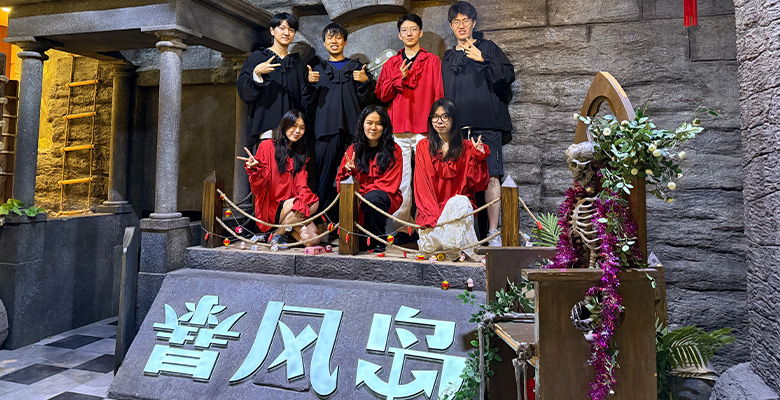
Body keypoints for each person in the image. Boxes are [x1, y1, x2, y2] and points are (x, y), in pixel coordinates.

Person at [442, 1, 515, 246]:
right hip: (458, 128)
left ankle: (493, 233)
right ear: (451, 26)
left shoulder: (489, 48)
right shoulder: (449, 57)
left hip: (487, 124)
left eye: (465, 21)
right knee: (461, 180)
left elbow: (507, 76)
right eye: (456, 22)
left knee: (492, 176)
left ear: (474, 23)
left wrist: (483, 58)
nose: (461, 26)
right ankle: (465, 233)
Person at [375, 13, 444, 235]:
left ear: (420, 32)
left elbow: (439, 95)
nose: (409, 33)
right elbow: (382, 95)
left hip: (425, 128)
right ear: (399, 35)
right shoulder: (392, 63)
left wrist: (438, 127)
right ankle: (402, 230)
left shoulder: (432, 60)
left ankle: (429, 227)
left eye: (413, 29)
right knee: (402, 181)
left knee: (428, 178)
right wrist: (398, 78)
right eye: (405, 30)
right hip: (398, 129)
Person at [304, 23, 376, 225]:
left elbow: (368, 100)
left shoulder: (356, 68)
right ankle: (325, 223)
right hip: (325, 132)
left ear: (345, 41)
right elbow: (307, 103)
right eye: (329, 38)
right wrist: (308, 83)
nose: (334, 41)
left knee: (354, 178)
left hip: (352, 133)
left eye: (338, 38)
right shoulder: (316, 70)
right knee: (325, 180)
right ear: (324, 42)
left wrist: (364, 81)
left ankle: (352, 224)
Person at [414, 98, 489, 260]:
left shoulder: (467, 147)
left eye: (445, 116)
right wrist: (435, 220)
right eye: (435, 117)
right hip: (431, 216)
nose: (439, 121)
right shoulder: (422, 146)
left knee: (460, 201)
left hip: (456, 214)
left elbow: (479, 184)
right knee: (440, 246)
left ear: (454, 119)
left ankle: (450, 249)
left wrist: (478, 158)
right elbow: (422, 189)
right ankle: (455, 250)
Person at [237, 110, 319, 247]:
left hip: (291, 209)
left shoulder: (299, 155)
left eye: (302, 127)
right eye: (293, 126)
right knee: (313, 203)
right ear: (284, 126)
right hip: (271, 207)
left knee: (313, 239)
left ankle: (279, 232)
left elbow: (302, 186)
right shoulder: (267, 146)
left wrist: (302, 202)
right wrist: (255, 169)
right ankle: (280, 232)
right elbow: (257, 187)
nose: (297, 131)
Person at [236, 12, 318, 144]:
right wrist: (256, 74)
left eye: (291, 30)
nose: (286, 33)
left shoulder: (297, 64)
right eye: (282, 28)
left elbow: (304, 102)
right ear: (272, 30)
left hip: (292, 133)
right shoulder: (257, 58)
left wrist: (309, 83)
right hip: (266, 131)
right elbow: (244, 93)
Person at [336, 105, 402, 252]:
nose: (373, 127)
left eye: (379, 123)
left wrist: (363, 193)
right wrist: (350, 173)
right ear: (362, 124)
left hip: (382, 196)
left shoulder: (394, 150)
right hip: (358, 197)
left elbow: (389, 183)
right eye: (369, 122)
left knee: (373, 198)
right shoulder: (352, 149)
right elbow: (341, 182)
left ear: (385, 127)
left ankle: (378, 237)